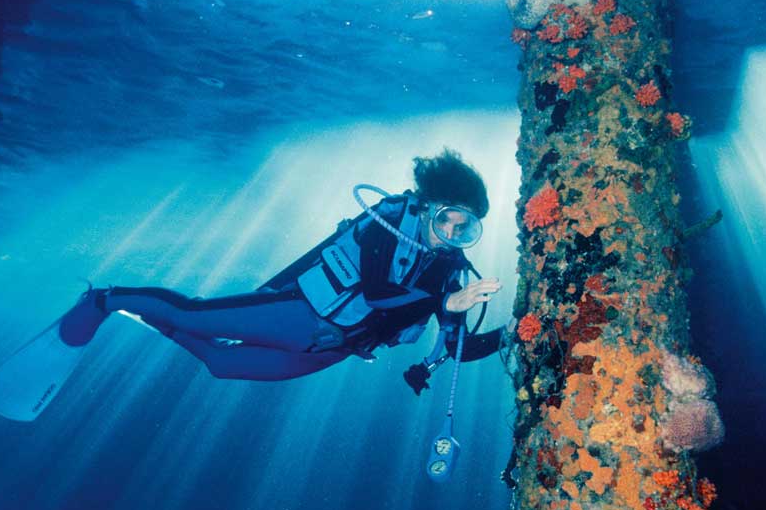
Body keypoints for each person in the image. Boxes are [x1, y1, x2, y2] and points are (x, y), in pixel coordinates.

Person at [57, 149, 506, 384]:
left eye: (466, 229)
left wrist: (511, 337)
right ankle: (105, 299)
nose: (453, 235)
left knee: (220, 364)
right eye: (450, 220)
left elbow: (457, 344)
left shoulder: (448, 270)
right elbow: (375, 293)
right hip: (300, 314)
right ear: (428, 205)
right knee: (192, 313)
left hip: (335, 348)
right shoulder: (387, 221)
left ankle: (153, 320)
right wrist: (443, 302)